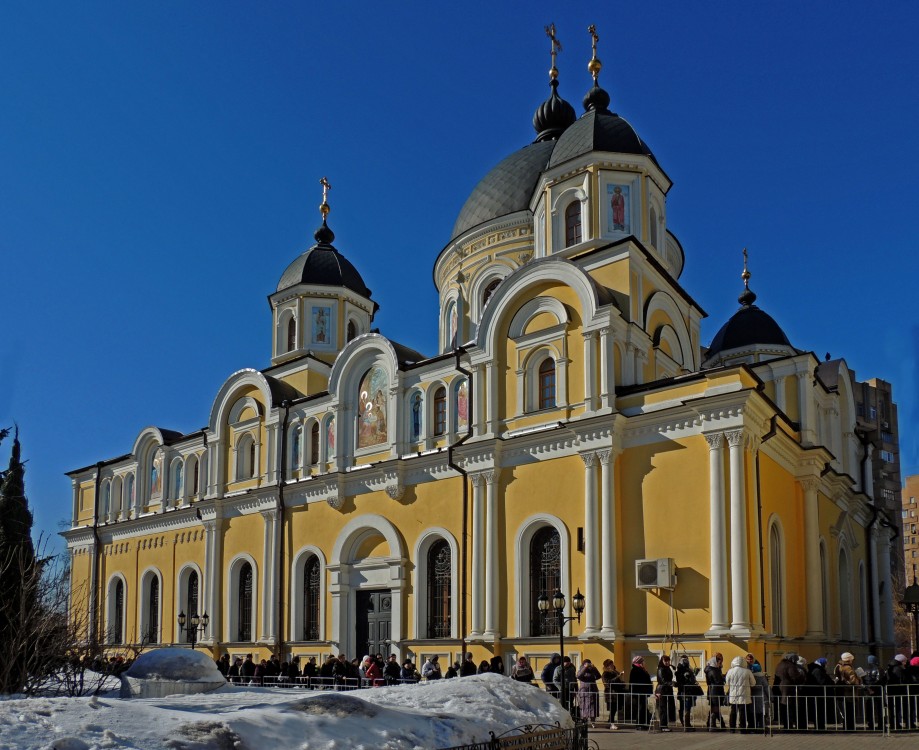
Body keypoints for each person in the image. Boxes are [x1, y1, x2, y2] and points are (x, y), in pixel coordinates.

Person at [774, 651, 805, 730]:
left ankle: (786, 724)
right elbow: (795, 677)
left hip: (781, 687)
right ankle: (790, 725)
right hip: (789, 688)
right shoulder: (790, 665)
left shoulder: (780, 664)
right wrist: (801, 675)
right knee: (790, 707)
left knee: (785, 706)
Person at [725, 655, 755, 733]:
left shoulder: (730, 671)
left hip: (733, 695)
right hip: (744, 695)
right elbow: (753, 683)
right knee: (743, 713)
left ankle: (732, 728)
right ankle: (743, 729)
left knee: (733, 712)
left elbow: (727, 682)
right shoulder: (747, 671)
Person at [833, 652, 860, 731]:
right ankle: (850, 727)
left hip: (841, 691)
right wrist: (859, 679)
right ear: (849, 659)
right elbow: (853, 680)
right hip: (849, 692)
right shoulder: (848, 668)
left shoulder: (838, 666)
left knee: (845, 711)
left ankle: (846, 727)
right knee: (850, 711)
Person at [675, 655, 702, 730]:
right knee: (685, 708)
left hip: (689, 691)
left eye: (687, 660)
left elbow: (691, 679)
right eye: (684, 660)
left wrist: (694, 673)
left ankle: (687, 724)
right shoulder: (680, 670)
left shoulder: (688, 669)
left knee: (688, 708)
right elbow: (681, 680)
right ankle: (685, 725)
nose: (686, 661)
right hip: (684, 691)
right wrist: (686, 676)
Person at [805, 657, 831, 731]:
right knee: (819, 711)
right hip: (818, 693)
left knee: (819, 711)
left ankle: (820, 726)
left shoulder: (817, 669)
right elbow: (821, 681)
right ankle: (820, 727)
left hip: (817, 693)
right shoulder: (817, 670)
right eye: (826, 664)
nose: (827, 665)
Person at [863, 654, 886, 731]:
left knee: (869, 708)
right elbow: (880, 680)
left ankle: (870, 724)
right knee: (880, 708)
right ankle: (881, 724)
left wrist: (868, 688)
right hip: (878, 691)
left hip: (868, 692)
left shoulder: (865, 669)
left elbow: (863, 681)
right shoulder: (879, 669)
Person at [629, 656, 653, 729]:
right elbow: (635, 682)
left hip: (643, 692)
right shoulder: (635, 670)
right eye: (642, 661)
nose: (644, 663)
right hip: (639, 692)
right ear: (639, 662)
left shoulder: (641, 669)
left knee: (644, 708)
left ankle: (644, 723)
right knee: (641, 708)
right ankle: (639, 724)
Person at [577, 659, 602, 727]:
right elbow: (579, 676)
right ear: (584, 664)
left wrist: (594, 668)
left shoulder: (592, 670)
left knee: (593, 707)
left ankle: (593, 722)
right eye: (587, 663)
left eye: (589, 663)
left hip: (593, 690)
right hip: (584, 691)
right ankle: (584, 721)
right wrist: (585, 668)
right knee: (584, 706)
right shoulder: (581, 669)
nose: (589, 665)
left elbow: (599, 676)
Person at [704, 653, 726, 729]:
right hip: (715, 690)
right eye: (720, 660)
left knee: (715, 708)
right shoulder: (713, 670)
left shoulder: (714, 669)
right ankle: (712, 725)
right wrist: (724, 677)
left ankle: (711, 723)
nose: (721, 662)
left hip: (714, 690)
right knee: (715, 708)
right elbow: (717, 680)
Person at [601, 659, 625, 730]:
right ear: (607, 666)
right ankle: (611, 724)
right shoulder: (605, 673)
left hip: (616, 693)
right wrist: (617, 677)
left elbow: (618, 682)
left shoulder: (615, 672)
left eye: (612, 664)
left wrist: (622, 684)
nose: (612, 666)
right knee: (612, 709)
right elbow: (608, 683)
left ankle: (610, 722)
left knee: (614, 709)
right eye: (610, 664)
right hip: (611, 694)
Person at [886, 654, 909, 730]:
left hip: (891, 691)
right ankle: (896, 724)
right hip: (898, 691)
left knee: (893, 708)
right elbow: (901, 680)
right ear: (901, 661)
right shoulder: (898, 669)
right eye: (905, 661)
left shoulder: (891, 667)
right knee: (897, 708)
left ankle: (894, 724)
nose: (905, 663)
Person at [656, 655, 676, 731]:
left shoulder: (668, 668)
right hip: (662, 690)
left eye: (668, 661)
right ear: (662, 661)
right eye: (666, 661)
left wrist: (673, 683)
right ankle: (663, 726)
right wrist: (671, 683)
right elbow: (662, 680)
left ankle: (665, 725)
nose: (667, 662)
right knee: (663, 708)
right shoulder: (660, 669)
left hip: (667, 689)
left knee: (668, 707)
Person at [750, 663, 769, 730]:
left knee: (753, 714)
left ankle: (753, 727)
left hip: (752, 698)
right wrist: (771, 697)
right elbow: (767, 688)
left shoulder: (751, 677)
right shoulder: (762, 677)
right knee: (762, 714)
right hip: (762, 697)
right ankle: (761, 727)